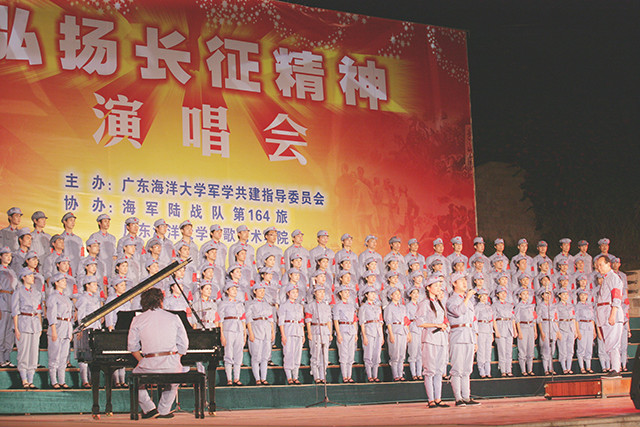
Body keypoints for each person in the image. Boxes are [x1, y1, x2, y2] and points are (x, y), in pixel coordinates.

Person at [128, 287, 189, 419]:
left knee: (134, 378)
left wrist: (143, 361)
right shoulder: (174, 317)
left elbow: (132, 347)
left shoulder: (137, 319)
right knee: (175, 378)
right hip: (171, 362)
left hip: (149, 362)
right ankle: (164, 410)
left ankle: (149, 408)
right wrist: (176, 358)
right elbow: (184, 345)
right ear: (161, 301)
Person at [446, 272, 479, 406]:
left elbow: (473, 321)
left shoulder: (468, 300)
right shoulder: (451, 300)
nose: (465, 283)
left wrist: (475, 340)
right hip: (458, 335)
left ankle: (466, 396)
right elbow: (459, 312)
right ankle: (458, 398)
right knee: (457, 368)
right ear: (454, 283)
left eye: (465, 280)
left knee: (467, 369)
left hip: (469, 335)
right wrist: (467, 298)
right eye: (461, 281)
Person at [416, 276, 449, 408]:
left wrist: (443, 325)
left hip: (441, 338)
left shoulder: (439, 303)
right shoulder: (424, 303)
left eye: (439, 286)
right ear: (428, 288)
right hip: (430, 338)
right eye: (435, 286)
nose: (438, 288)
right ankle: (430, 399)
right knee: (430, 370)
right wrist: (436, 325)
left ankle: (438, 398)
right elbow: (420, 322)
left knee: (439, 370)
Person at [12, 268, 43, 388]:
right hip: (24, 323)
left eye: (32, 276)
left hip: (35, 324)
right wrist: (16, 328)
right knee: (23, 352)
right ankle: (24, 379)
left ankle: (31, 380)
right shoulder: (18, 292)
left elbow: (39, 310)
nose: (32, 278)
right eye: (29, 276)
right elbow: (15, 311)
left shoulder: (36, 292)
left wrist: (40, 326)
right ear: (23, 277)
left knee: (34, 353)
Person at [594, 255, 624, 377]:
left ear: (608, 264)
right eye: (597, 266)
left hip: (611, 314)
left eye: (601, 265)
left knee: (613, 343)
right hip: (604, 314)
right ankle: (614, 367)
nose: (599, 268)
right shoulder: (606, 279)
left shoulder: (613, 277)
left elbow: (616, 296)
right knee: (609, 343)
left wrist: (613, 314)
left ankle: (615, 368)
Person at [47, 272, 74, 388]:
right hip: (57, 326)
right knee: (54, 356)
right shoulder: (53, 297)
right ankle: (54, 381)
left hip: (66, 327)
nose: (64, 283)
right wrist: (53, 329)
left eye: (64, 280)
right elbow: (51, 314)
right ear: (56, 283)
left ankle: (62, 380)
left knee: (63, 356)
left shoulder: (66, 297)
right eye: (62, 281)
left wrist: (70, 330)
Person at [74, 275, 102, 388]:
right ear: (87, 285)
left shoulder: (96, 298)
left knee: (94, 356)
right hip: (87, 329)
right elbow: (81, 315)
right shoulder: (83, 298)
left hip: (96, 328)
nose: (96, 286)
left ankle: (93, 380)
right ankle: (85, 380)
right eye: (93, 284)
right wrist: (81, 328)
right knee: (84, 356)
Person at [246, 282, 274, 385]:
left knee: (265, 356)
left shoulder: (267, 304)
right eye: (260, 290)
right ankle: (257, 379)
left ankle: (264, 378)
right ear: (255, 291)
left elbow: (271, 319)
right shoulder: (251, 304)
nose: (262, 292)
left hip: (266, 329)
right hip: (256, 329)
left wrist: (272, 332)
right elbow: (248, 319)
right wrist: (250, 333)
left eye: (263, 291)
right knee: (256, 356)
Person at [218, 281, 246, 385]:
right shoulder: (223, 303)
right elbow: (220, 320)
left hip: (239, 328)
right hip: (228, 328)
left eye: (235, 289)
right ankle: (229, 378)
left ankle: (237, 378)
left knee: (238, 354)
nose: (234, 291)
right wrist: (221, 334)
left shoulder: (239, 303)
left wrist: (244, 333)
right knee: (228, 353)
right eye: (232, 289)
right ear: (227, 291)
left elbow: (243, 319)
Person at [305, 284, 333, 384]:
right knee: (315, 354)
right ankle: (316, 376)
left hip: (325, 330)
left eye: (323, 292)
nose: (321, 294)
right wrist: (309, 333)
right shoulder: (310, 305)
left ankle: (322, 375)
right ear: (315, 293)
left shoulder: (326, 306)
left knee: (324, 355)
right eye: (319, 292)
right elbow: (308, 320)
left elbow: (329, 320)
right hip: (315, 329)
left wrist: (330, 333)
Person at [278, 284, 304, 384]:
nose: (295, 294)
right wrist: (283, 335)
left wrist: (303, 335)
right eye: (293, 292)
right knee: (289, 353)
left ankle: (295, 376)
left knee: (297, 354)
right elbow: (281, 322)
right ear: (288, 293)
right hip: (288, 330)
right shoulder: (284, 306)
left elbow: (301, 321)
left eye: (296, 292)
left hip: (298, 331)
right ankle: (289, 377)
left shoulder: (299, 306)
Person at [384, 287, 411, 381]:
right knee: (395, 354)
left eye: (399, 294)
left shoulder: (403, 307)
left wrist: (408, 333)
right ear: (391, 296)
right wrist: (391, 334)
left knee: (402, 354)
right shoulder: (389, 307)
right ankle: (395, 375)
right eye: (395, 294)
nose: (398, 296)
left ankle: (401, 374)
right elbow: (388, 322)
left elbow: (406, 321)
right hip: (394, 330)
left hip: (403, 330)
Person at [332, 285, 357, 383]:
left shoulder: (351, 306)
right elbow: (336, 320)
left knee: (351, 354)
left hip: (351, 329)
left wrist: (355, 333)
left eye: (348, 292)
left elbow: (354, 320)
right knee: (344, 353)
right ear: (340, 293)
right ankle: (344, 376)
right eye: (345, 292)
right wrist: (338, 333)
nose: (347, 294)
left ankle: (349, 375)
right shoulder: (337, 306)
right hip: (343, 328)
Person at [359, 286, 384, 382]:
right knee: (368, 353)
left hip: (378, 331)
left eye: (374, 293)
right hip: (369, 331)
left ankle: (375, 375)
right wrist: (364, 336)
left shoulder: (377, 307)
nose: (373, 295)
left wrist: (382, 336)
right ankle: (369, 375)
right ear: (366, 295)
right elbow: (362, 323)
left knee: (377, 354)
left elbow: (380, 321)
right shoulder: (363, 307)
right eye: (371, 293)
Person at [493, 285, 516, 377]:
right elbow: (494, 319)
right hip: (500, 326)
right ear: (497, 295)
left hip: (509, 327)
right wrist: (496, 331)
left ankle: (509, 369)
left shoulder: (510, 305)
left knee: (509, 350)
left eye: (504, 293)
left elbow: (513, 318)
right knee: (502, 350)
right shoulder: (495, 305)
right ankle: (503, 370)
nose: (503, 294)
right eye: (501, 293)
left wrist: (514, 330)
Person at [0, 247, 18, 368]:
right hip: (2, 301)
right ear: (1, 257)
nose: (8, 258)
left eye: (10, 256)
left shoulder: (12, 271)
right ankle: (0, 358)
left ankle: (7, 357)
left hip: (12, 302)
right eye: (6, 255)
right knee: (1, 330)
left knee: (9, 333)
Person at [536, 288, 559, 375]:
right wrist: (542, 332)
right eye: (545, 294)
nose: (547, 296)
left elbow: (556, 319)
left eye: (549, 294)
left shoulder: (553, 306)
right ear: (542, 296)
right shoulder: (540, 306)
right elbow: (539, 320)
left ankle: (551, 368)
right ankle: (546, 369)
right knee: (545, 348)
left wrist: (557, 331)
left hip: (552, 326)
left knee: (552, 349)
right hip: (545, 325)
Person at [514, 287, 537, 376]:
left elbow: (534, 319)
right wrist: (519, 331)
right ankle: (523, 370)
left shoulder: (531, 306)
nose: (526, 296)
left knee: (530, 349)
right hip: (523, 327)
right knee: (522, 349)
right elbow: (517, 320)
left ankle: (530, 369)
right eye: (523, 294)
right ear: (520, 295)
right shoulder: (518, 306)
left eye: (527, 294)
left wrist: (535, 331)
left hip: (530, 327)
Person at [575, 289, 596, 373]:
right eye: (581, 295)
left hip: (589, 326)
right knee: (581, 347)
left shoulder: (590, 305)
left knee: (589, 347)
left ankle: (588, 366)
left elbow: (592, 319)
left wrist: (594, 330)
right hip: (582, 326)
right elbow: (576, 320)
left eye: (585, 295)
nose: (583, 296)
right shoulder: (577, 306)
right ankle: (582, 367)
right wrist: (577, 331)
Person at [474, 288, 494, 378]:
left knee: (488, 351)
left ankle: (488, 370)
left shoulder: (489, 307)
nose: (485, 297)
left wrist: (492, 332)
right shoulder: (477, 307)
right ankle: (481, 370)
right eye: (482, 296)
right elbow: (475, 321)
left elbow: (491, 321)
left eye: (486, 295)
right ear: (479, 297)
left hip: (488, 330)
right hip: (481, 329)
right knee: (481, 351)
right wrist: (476, 333)